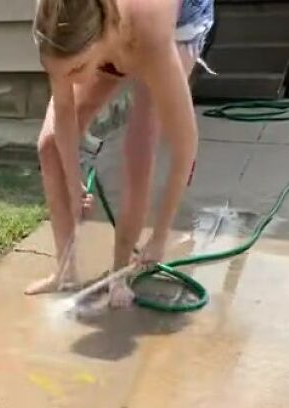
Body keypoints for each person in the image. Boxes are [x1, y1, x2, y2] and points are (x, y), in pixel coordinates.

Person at [27, 0, 215, 304]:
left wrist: (159, 236)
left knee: (139, 149)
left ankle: (119, 275)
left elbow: (185, 145)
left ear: (104, 32)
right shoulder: (58, 24)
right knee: (49, 145)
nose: (69, 81)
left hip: (176, 18)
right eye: (59, 73)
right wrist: (73, 188)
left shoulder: (149, 34)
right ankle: (65, 273)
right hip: (113, 36)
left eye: (77, 69)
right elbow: (64, 111)